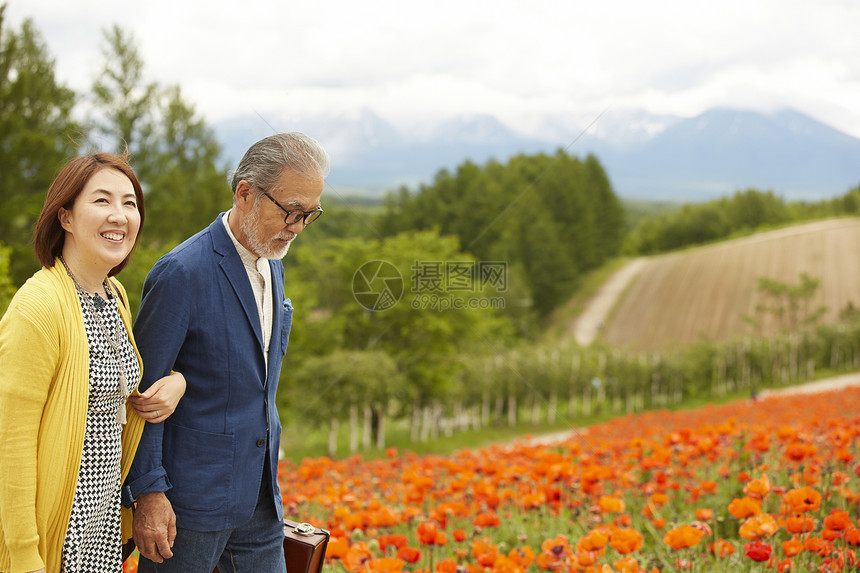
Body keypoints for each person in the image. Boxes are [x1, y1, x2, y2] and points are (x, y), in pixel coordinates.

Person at [125, 132, 330, 572]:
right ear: (245, 193)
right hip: (187, 509)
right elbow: (142, 393)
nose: (296, 227)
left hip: (260, 502)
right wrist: (150, 493)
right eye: (291, 211)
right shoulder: (181, 272)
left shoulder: (272, 260)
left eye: (309, 215)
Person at [0, 152, 187, 573]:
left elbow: (115, 389)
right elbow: (10, 446)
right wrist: (25, 555)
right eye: (101, 201)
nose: (119, 215)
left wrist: (177, 382)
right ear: (65, 217)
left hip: (100, 531)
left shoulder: (113, 294)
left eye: (130, 203)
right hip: (53, 533)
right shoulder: (39, 306)